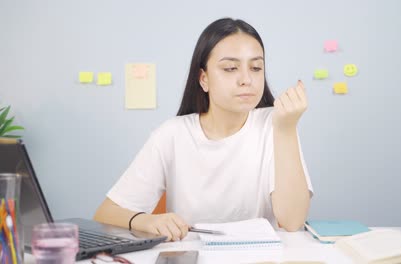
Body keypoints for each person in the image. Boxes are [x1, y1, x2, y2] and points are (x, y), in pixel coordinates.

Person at [94, 18, 313, 241]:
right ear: (204, 79)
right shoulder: (172, 135)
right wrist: (148, 220)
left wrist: (286, 129)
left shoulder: (277, 124)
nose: (247, 79)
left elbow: (293, 221)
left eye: (256, 67)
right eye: (230, 68)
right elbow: (106, 213)